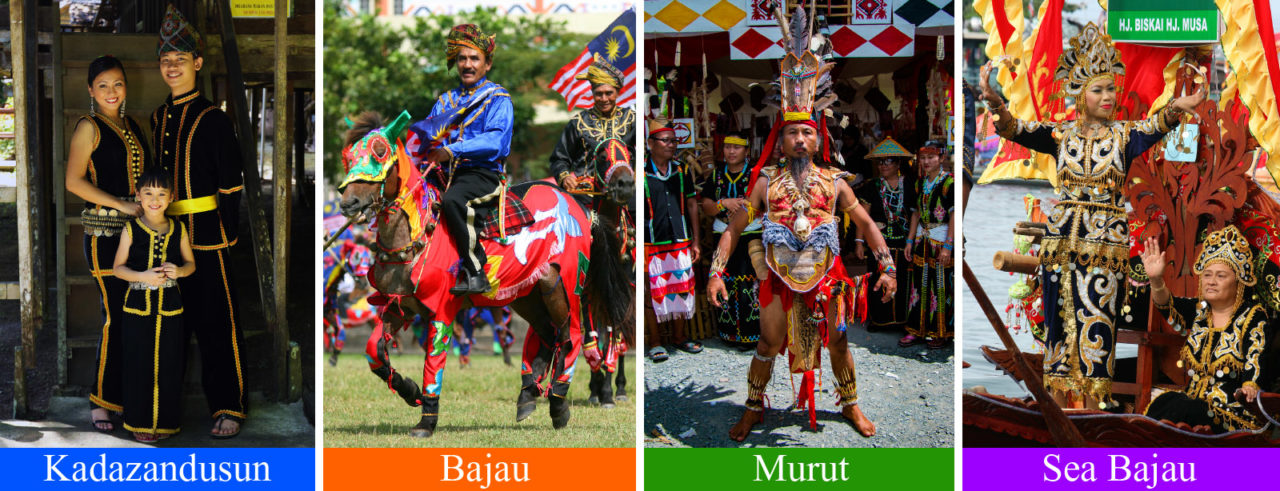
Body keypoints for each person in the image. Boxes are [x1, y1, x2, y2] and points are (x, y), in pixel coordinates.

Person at [979, 23, 1205, 407]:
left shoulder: (1124, 136)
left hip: (1104, 250)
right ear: (1081, 95)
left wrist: (1178, 107)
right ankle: (1056, 403)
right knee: (1057, 331)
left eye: (1110, 89)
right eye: (1097, 90)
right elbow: (1017, 129)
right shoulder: (1060, 135)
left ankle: (1090, 408)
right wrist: (995, 103)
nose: (1106, 97)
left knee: (1097, 329)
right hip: (1060, 246)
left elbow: (1157, 124)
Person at [707, 22, 896, 438]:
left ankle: (851, 406)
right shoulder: (764, 182)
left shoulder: (835, 182)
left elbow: (865, 222)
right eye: (791, 131)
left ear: (817, 139)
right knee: (767, 345)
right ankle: (753, 407)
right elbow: (735, 229)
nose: (798, 138)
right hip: (777, 277)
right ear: (780, 140)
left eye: (806, 132)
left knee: (840, 343)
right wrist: (715, 272)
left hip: (828, 277)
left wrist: (888, 268)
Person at [151, 5, 247, 438]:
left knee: (216, 322)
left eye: (180, 59)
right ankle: (160, 408)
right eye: (166, 61)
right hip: (166, 236)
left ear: (198, 63)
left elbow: (230, 186)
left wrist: (226, 233)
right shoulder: (157, 117)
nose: (173, 67)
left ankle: (229, 405)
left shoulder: (215, 119)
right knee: (169, 322)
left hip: (210, 235)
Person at [67, 55, 150, 432]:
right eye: (103, 85)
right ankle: (101, 400)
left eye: (117, 84)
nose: (111, 92)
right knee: (115, 316)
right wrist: (120, 202)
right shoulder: (89, 127)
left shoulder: (131, 126)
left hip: (136, 235)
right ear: (90, 90)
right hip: (103, 235)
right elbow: (73, 181)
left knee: (135, 316)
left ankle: (128, 397)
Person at [1140, 228, 1267, 432]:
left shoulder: (1253, 316)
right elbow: (1168, 306)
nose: (1211, 282)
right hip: (1193, 404)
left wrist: (1250, 386)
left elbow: (1256, 359)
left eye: (1221, 276)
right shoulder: (1201, 311)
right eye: (1207, 275)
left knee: (1185, 407)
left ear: (1238, 282)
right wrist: (1156, 280)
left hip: (1232, 414)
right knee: (1164, 402)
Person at [422, 23, 513, 296]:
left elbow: (496, 141)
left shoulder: (498, 98)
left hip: (481, 174)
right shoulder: (445, 101)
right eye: (462, 58)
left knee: (452, 200)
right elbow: (428, 135)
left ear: (487, 64)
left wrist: (452, 150)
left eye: (474, 58)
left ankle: (475, 270)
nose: (467, 64)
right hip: (443, 173)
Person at [113, 167, 196, 443]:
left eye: (161, 193)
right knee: (139, 364)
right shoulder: (131, 229)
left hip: (171, 307)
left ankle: (165, 423)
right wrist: (142, 277)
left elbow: (191, 264)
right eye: (148, 193)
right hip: (137, 307)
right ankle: (139, 422)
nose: (154, 199)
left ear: (171, 197)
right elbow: (118, 269)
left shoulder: (178, 229)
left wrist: (180, 272)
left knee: (168, 365)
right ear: (138, 196)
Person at [697, 130, 762, 348]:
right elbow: (705, 205)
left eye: (736, 147)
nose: (731, 151)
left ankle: (753, 335)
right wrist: (723, 203)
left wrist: (747, 209)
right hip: (721, 233)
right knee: (725, 279)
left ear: (746, 150)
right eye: (727, 147)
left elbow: (766, 204)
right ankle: (728, 334)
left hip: (751, 234)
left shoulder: (756, 175)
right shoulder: (716, 175)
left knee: (749, 282)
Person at [644, 121, 701, 362]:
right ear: (650, 144)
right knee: (653, 292)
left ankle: (679, 337)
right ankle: (655, 342)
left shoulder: (681, 171)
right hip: (651, 242)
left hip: (680, 238)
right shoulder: (641, 171)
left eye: (673, 141)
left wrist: (696, 240)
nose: (671, 145)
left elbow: (691, 205)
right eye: (665, 140)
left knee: (682, 288)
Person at [550, 52, 636, 196]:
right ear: (592, 93)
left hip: (624, 191)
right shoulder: (578, 122)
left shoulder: (631, 119)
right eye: (598, 94)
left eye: (609, 93)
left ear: (618, 93)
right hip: (585, 194)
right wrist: (564, 177)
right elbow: (559, 158)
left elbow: (645, 152)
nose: (604, 99)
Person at [857, 138, 916, 334]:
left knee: (904, 280)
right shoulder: (871, 186)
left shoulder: (910, 184)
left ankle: (901, 321)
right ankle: (879, 320)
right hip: (879, 243)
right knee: (877, 279)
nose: (883, 165)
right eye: (880, 162)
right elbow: (862, 217)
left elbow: (916, 212)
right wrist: (859, 241)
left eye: (888, 161)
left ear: (898, 163)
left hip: (904, 241)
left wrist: (911, 239)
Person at [902, 141, 954, 349]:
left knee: (940, 287)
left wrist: (948, 246)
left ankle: (941, 332)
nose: (926, 162)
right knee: (918, 286)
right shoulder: (919, 183)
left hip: (940, 240)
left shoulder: (949, 184)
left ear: (941, 159)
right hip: (922, 241)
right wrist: (910, 240)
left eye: (931, 157)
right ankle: (917, 330)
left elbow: (953, 215)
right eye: (923, 158)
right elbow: (915, 212)